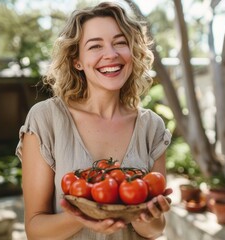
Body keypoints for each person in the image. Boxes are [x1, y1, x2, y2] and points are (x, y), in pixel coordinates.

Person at [15, 2, 172, 239]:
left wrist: (148, 215)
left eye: (120, 42)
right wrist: (85, 216)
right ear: (77, 60)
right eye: (95, 45)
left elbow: (155, 230)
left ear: (132, 52)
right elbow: (35, 230)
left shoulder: (151, 127)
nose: (111, 54)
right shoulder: (46, 120)